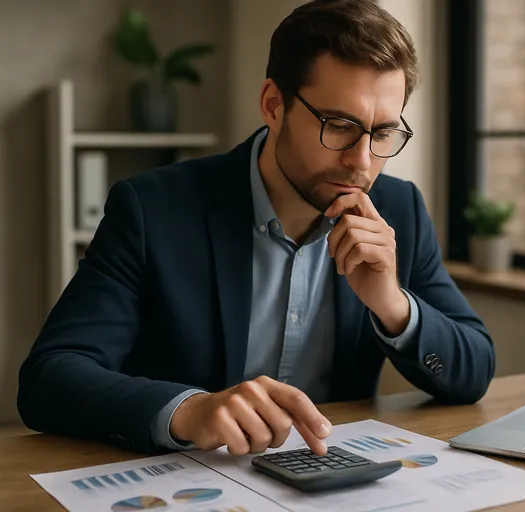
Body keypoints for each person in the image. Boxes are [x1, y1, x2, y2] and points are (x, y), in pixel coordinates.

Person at [17, 0, 495, 457]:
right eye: (340, 125)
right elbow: (51, 377)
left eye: (383, 132)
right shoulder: (152, 209)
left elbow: (474, 370)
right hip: (186, 482)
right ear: (272, 104)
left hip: (327, 483)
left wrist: (392, 305)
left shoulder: (397, 208)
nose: (362, 161)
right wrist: (190, 410)